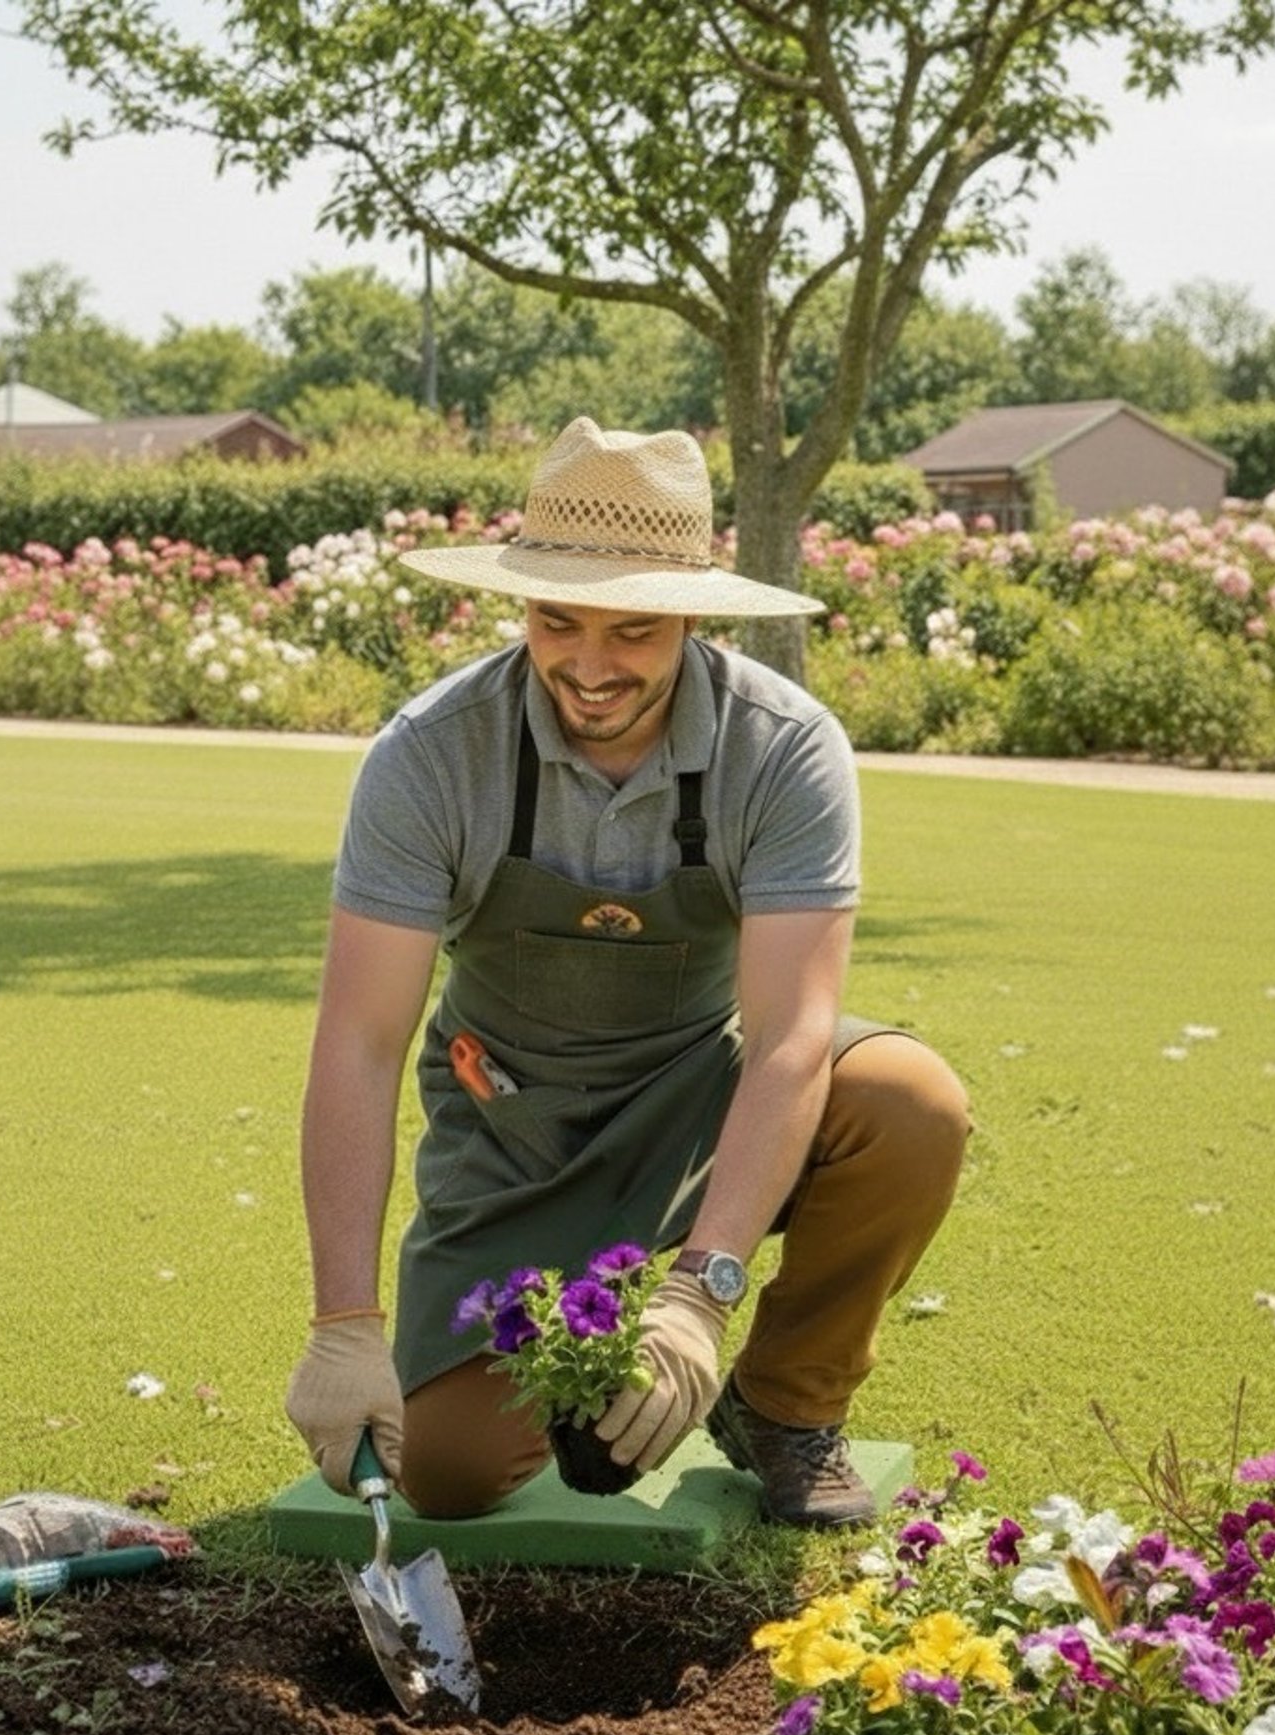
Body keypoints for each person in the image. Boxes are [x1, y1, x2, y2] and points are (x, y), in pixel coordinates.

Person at [285, 418, 969, 1529]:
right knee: (445, 1473)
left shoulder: (784, 749)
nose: (589, 666)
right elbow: (359, 1044)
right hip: (517, 1141)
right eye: (558, 620)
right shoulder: (429, 754)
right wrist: (344, 1323)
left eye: (635, 631)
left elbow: (793, 1036)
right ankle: (608, 1357)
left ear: (693, 618)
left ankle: (783, 1406)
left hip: (704, 1105)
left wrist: (704, 1294)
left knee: (909, 1103)